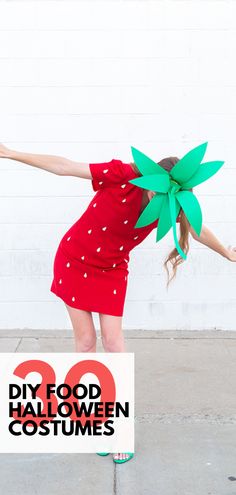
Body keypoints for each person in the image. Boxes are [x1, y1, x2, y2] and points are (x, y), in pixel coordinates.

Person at [1, 143, 236, 464]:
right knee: (84, 343)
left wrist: (228, 252)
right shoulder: (123, 175)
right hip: (74, 258)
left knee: (114, 344)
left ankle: (119, 429)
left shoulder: (173, 204)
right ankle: (97, 424)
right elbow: (66, 165)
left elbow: (196, 229)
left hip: (111, 269)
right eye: (158, 193)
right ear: (152, 179)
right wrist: (11, 153)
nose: (161, 201)